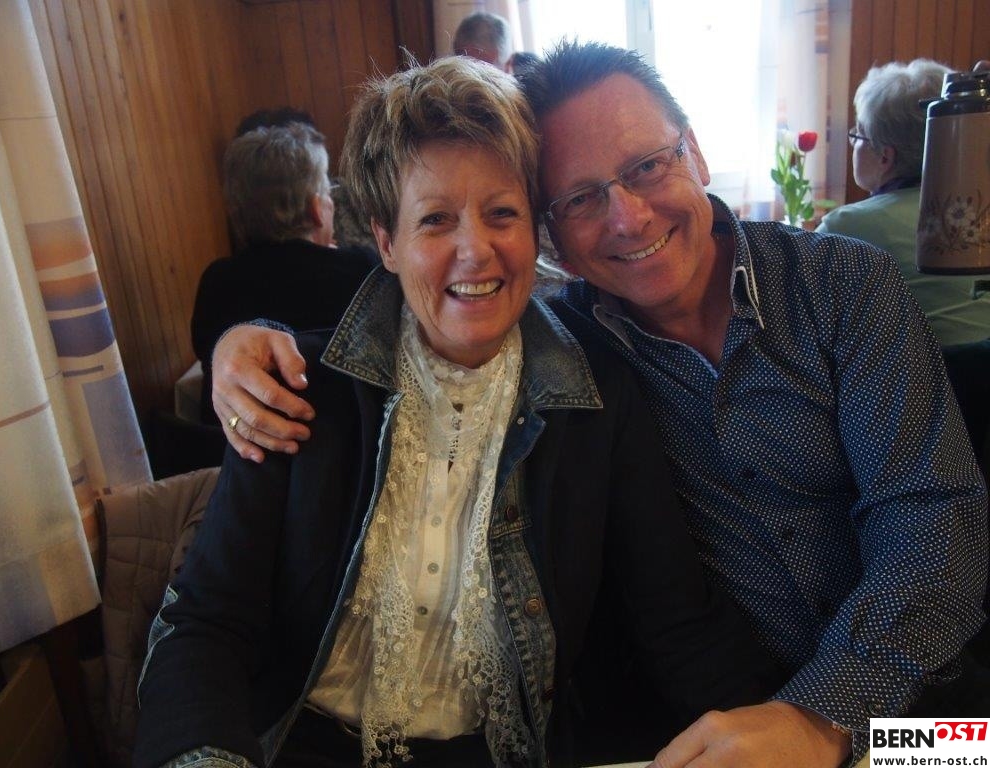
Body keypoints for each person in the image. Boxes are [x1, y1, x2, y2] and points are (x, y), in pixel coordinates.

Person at [210, 41, 989, 767]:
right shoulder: (576, 361)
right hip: (725, 718)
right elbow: (428, 303)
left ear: (696, 152)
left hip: (921, 707)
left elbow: (933, 521)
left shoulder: (843, 286)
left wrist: (822, 721)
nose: (628, 217)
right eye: (582, 198)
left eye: (647, 166)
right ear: (553, 232)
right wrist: (248, 340)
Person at [136, 56, 780, 768]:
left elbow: (678, 622)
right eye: (436, 219)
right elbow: (206, 624)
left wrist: (789, 735)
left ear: (535, 232)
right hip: (300, 745)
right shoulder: (298, 386)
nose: (476, 251)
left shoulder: (599, 396)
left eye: (502, 213)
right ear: (386, 242)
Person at [190, 120, 379, 425]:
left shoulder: (216, 280)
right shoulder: (361, 269)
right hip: (336, 435)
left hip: (229, 442)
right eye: (328, 191)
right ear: (317, 208)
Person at [816, 59, 990, 347]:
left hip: (927, 372)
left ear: (885, 156)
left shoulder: (847, 227)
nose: (854, 145)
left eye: (858, 136)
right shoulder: (978, 209)